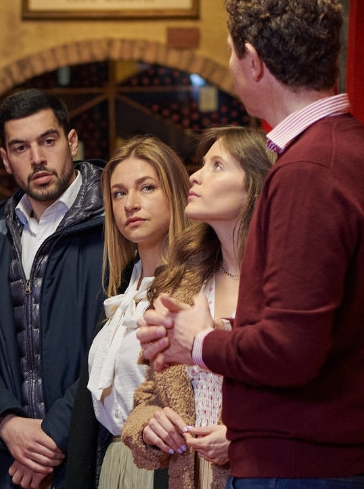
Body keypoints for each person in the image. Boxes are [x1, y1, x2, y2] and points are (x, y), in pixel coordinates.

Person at [138, 0, 364, 487]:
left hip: (303, 468)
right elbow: (314, 330)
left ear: (254, 61)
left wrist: (199, 341)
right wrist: (198, 337)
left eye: (231, 52)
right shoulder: (348, 151)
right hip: (326, 461)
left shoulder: (309, 171)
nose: (232, 67)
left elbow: (290, 353)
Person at [0, 89, 106, 489]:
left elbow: (120, 347)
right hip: (15, 464)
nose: (36, 158)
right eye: (20, 147)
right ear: (5, 159)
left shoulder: (114, 221)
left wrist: (54, 434)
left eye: (48, 141)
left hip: (96, 457)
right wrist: (7, 424)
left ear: (71, 142)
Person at [122, 127, 274, 489]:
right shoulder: (183, 284)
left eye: (217, 165)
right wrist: (150, 424)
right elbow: (150, 394)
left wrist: (243, 436)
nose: (195, 175)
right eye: (201, 164)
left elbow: (311, 392)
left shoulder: (282, 284)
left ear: (254, 185)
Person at [82, 136, 190, 489]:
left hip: (166, 465)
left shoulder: (194, 287)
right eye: (118, 193)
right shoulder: (125, 287)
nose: (131, 203)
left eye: (146, 187)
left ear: (175, 193)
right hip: (115, 460)